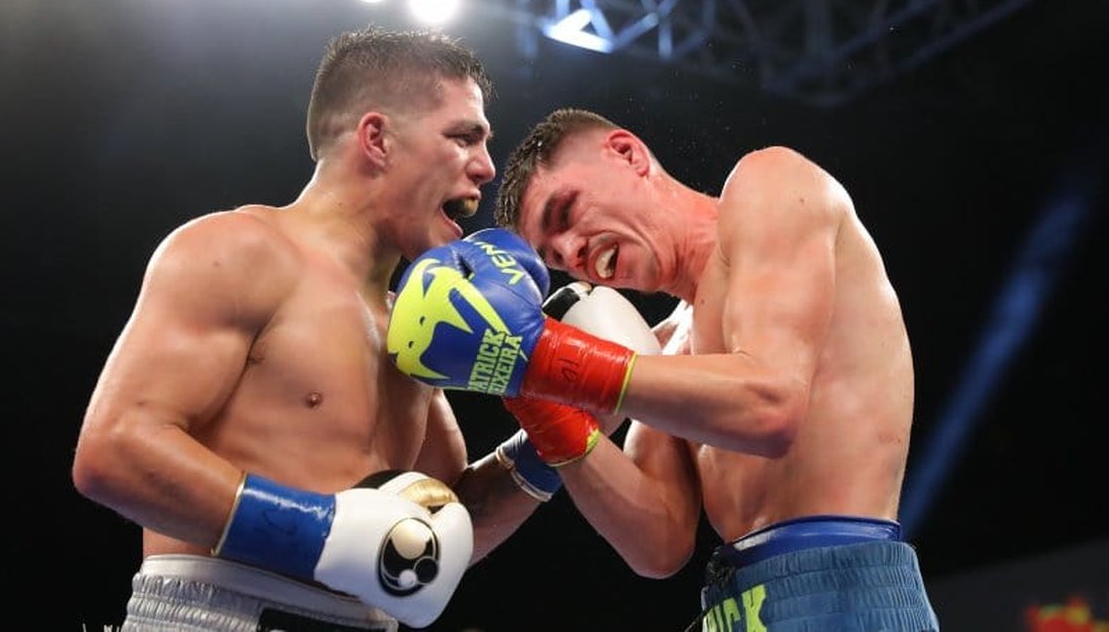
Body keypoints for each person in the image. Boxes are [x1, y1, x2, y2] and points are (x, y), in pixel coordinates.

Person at [71, 26, 560, 632]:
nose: (486, 167)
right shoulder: (239, 250)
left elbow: (428, 545)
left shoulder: (410, 322)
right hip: (217, 614)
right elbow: (113, 450)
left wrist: (561, 432)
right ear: (377, 138)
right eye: (463, 137)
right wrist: (319, 530)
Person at [388, 107, 940, 630]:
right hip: (733, 604)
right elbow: (659, 543)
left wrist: (541, 355)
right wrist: (528, 392)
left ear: (627, 154)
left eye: (567, 212)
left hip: (844, 589)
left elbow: (770, 407)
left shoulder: (770, 185)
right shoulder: (662, 348)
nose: (573, 251)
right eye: (554, 257)